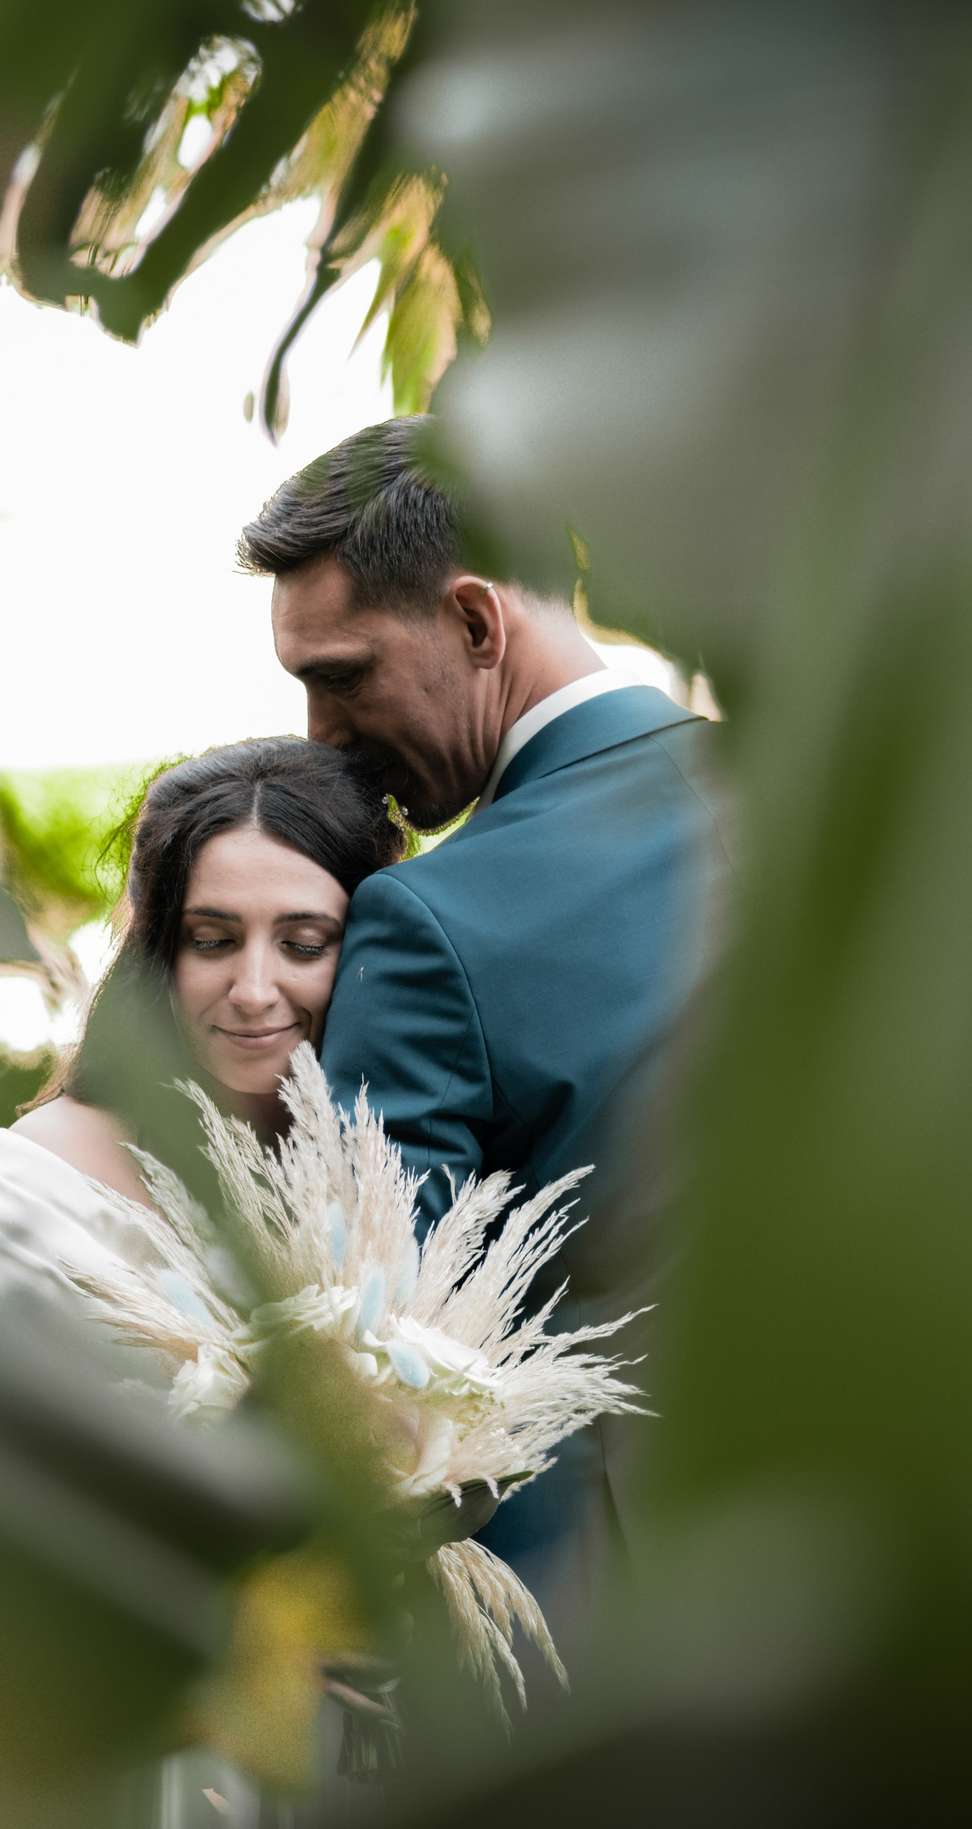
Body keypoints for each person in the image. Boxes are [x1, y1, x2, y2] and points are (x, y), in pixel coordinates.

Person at [239, 413, 726, 1628]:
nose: (320, 737)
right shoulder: (812, 801)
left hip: (577, 1630)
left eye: (339, 676)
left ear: (473, 621)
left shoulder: (424, 922)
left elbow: (366, 1365)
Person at [0, 736, 404, 1303]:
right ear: (159, 953)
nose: (252, 992)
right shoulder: (45, 1180)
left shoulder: (407, 1159)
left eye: (303, 945)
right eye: (212, 941)